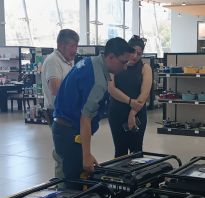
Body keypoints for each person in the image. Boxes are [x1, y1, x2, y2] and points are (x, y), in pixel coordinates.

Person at [52, 37, 134, 187]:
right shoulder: (98, 82)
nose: (125, 67)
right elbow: (85, 120)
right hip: (70, 133)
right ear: (111, 57)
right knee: (74, 186)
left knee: (69, 178)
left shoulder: (91, 62)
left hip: (62, 127)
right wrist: (86, 155)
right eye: (123, 62)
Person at [42, 29, 79, 179]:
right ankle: (61, 190)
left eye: (76, 46)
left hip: (69, 114)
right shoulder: (53, 61)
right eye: (71, 46)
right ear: (60, 44)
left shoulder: (69, 61)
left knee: (69, 152)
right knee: (61, 154)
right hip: (58, 114)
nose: (74, 50)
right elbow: (56, 88)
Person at [108, 35, 152, 158]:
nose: (135, 56)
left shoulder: (145, 68)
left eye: (139, 54)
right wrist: (129, 101)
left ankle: (137, 177)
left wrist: (133, 112)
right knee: (120, 149)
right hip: (117, 111)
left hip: (137, 112)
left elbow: (145, 93)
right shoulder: (116, 65)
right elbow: (111, 88)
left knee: (136, 150)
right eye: (133, 52)